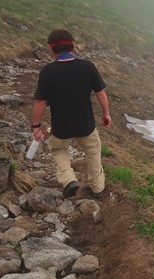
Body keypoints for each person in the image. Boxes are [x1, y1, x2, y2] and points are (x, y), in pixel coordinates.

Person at [31, 29, 112, 198]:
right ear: (73, 46)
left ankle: (69, 180)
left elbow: (40, 102)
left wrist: (36, 126)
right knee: (93, 153)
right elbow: (101, 93)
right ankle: (97, 188)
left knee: (59, 150)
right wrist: (106, 114)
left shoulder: (48, 71)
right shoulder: (87, 67)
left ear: (50, 49)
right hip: (86, 125)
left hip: (61, 126)